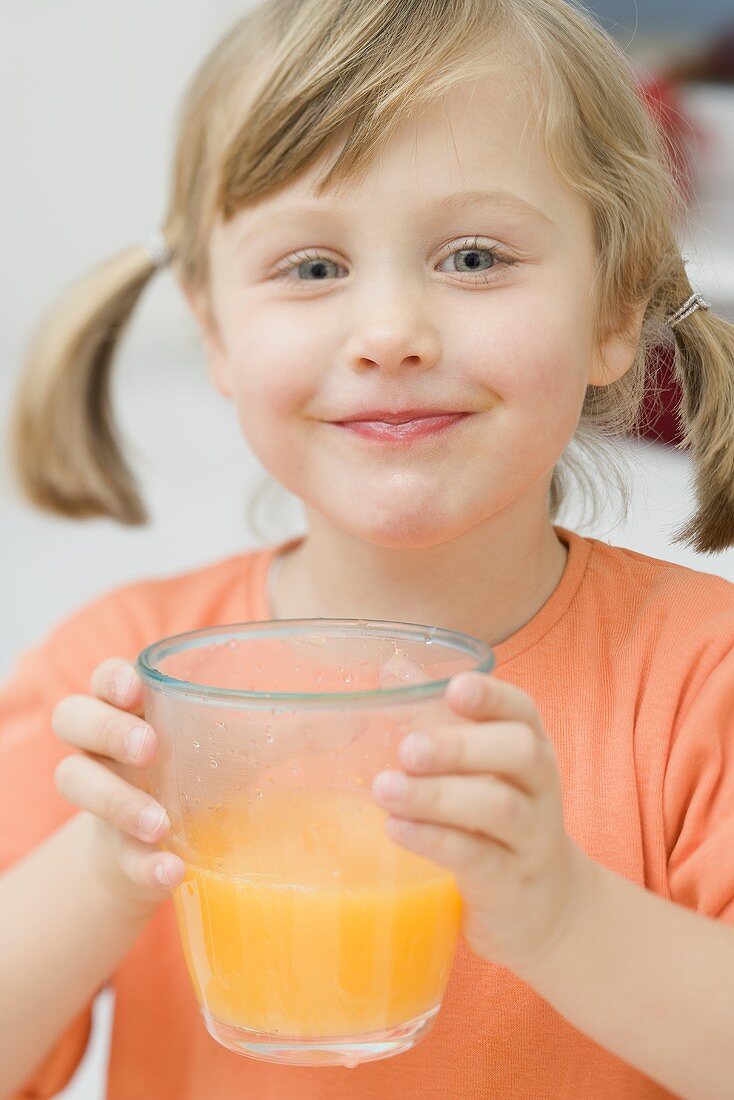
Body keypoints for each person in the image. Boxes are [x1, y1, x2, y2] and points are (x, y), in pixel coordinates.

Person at [3, 0, 734, 1096]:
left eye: (474, 254)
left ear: (611, 308)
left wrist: (562, 915)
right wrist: (104, 869)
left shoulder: (700, 678)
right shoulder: (115, 681)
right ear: (213, 330)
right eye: (309, 267)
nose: (389, 332)